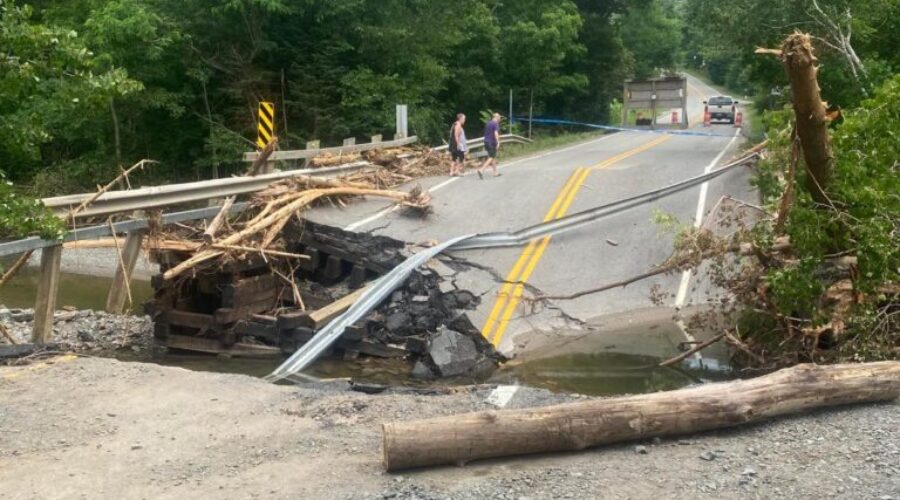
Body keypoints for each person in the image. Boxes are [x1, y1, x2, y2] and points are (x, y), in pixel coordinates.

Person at [477, 112, 502, 179]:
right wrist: (498, 142)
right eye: (499, 117)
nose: (500, 119)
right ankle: (481, 170)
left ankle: (495, 172)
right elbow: (495, 133)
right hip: (491, 142)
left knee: (492, 157)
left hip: (486, 142)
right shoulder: (495, 124)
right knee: (491, 157)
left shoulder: (488, 123)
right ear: (496, 117)